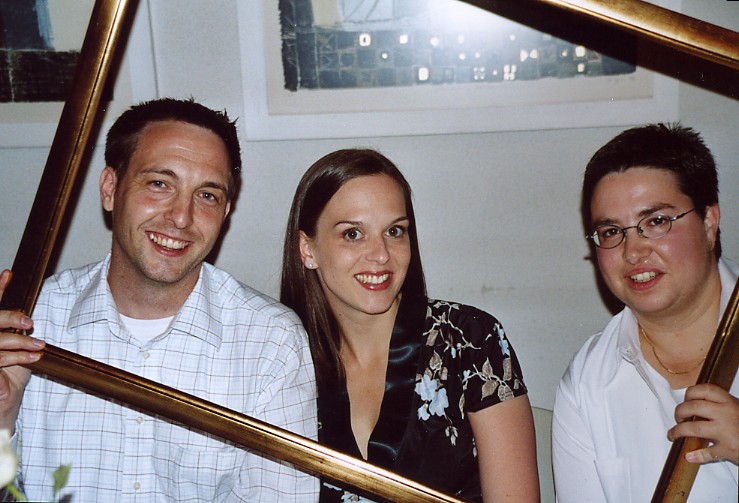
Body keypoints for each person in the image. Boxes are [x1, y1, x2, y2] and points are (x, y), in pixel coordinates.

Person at [0, 98, 318, 501]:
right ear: (110, 189)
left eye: (207, 195)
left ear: (226, 212)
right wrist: (3, 416)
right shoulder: (31, 317)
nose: (181, 217)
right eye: (159, 184)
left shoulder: (270, 340)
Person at [280, 148, 539, 502]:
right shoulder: (282, 359)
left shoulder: (472, 341)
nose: (381, 254)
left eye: (395, 231)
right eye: (353, 234)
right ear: (307, 249)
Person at [552, 123, 738, 501]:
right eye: (611, 232)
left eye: (656, 222)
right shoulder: (587, 382)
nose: (633, 252)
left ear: (709, 222)